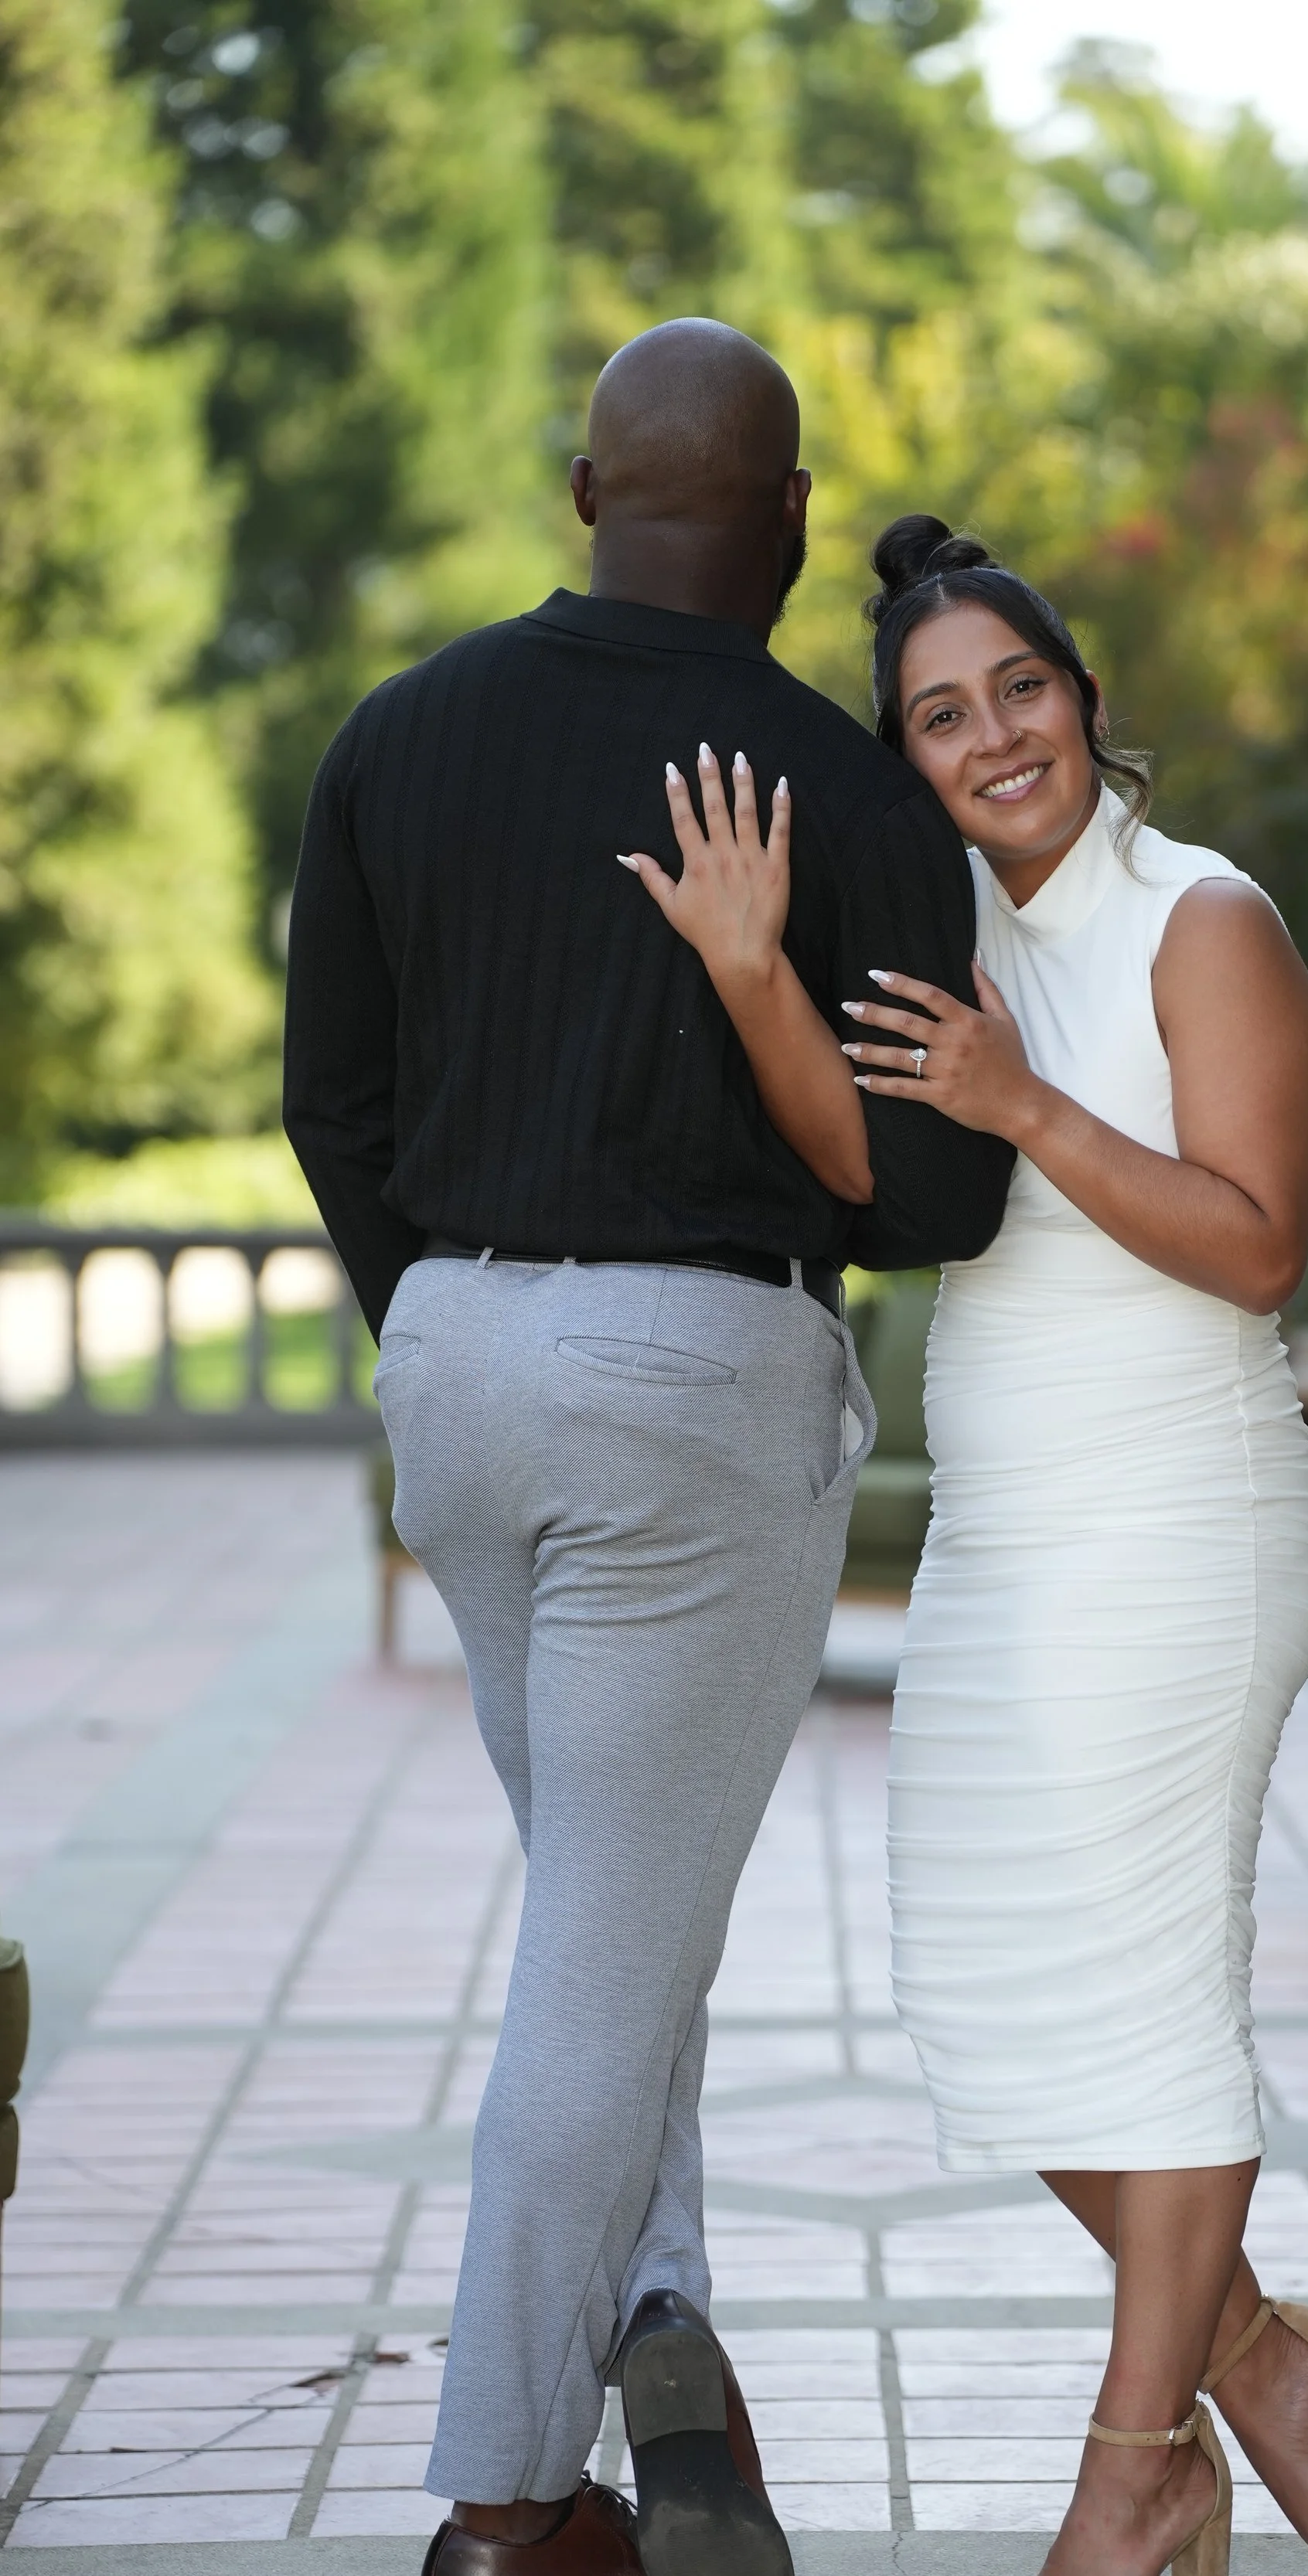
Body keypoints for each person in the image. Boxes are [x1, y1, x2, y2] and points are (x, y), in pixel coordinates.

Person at [631, 516, 1308, 2576]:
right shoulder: (937, 946)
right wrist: (751, 973)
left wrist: (1025, 1106)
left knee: (1152, 1995)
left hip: (1181, 1519)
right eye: (938, 714)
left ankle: (1133, 2468)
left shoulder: (1204, 921)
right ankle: (1260, 2352)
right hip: (1008, 1536)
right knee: (981, 1992)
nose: (991, 732)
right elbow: (852, 1171)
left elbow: (1253, 1241)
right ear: (898, 763)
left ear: (1086, 702)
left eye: (1019, 687)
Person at [283, 340, 1014, 2576]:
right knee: (608, 1956)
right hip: (700, 1382)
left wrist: (446, 1314)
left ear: (581, 484)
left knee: (620, 1908)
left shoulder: (392, 737)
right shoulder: (846, 792)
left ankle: (668, 2333)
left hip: (461, 1367)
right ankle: (511, 2503)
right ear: (789, 516)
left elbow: (337, 1107)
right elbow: (935, 1199)